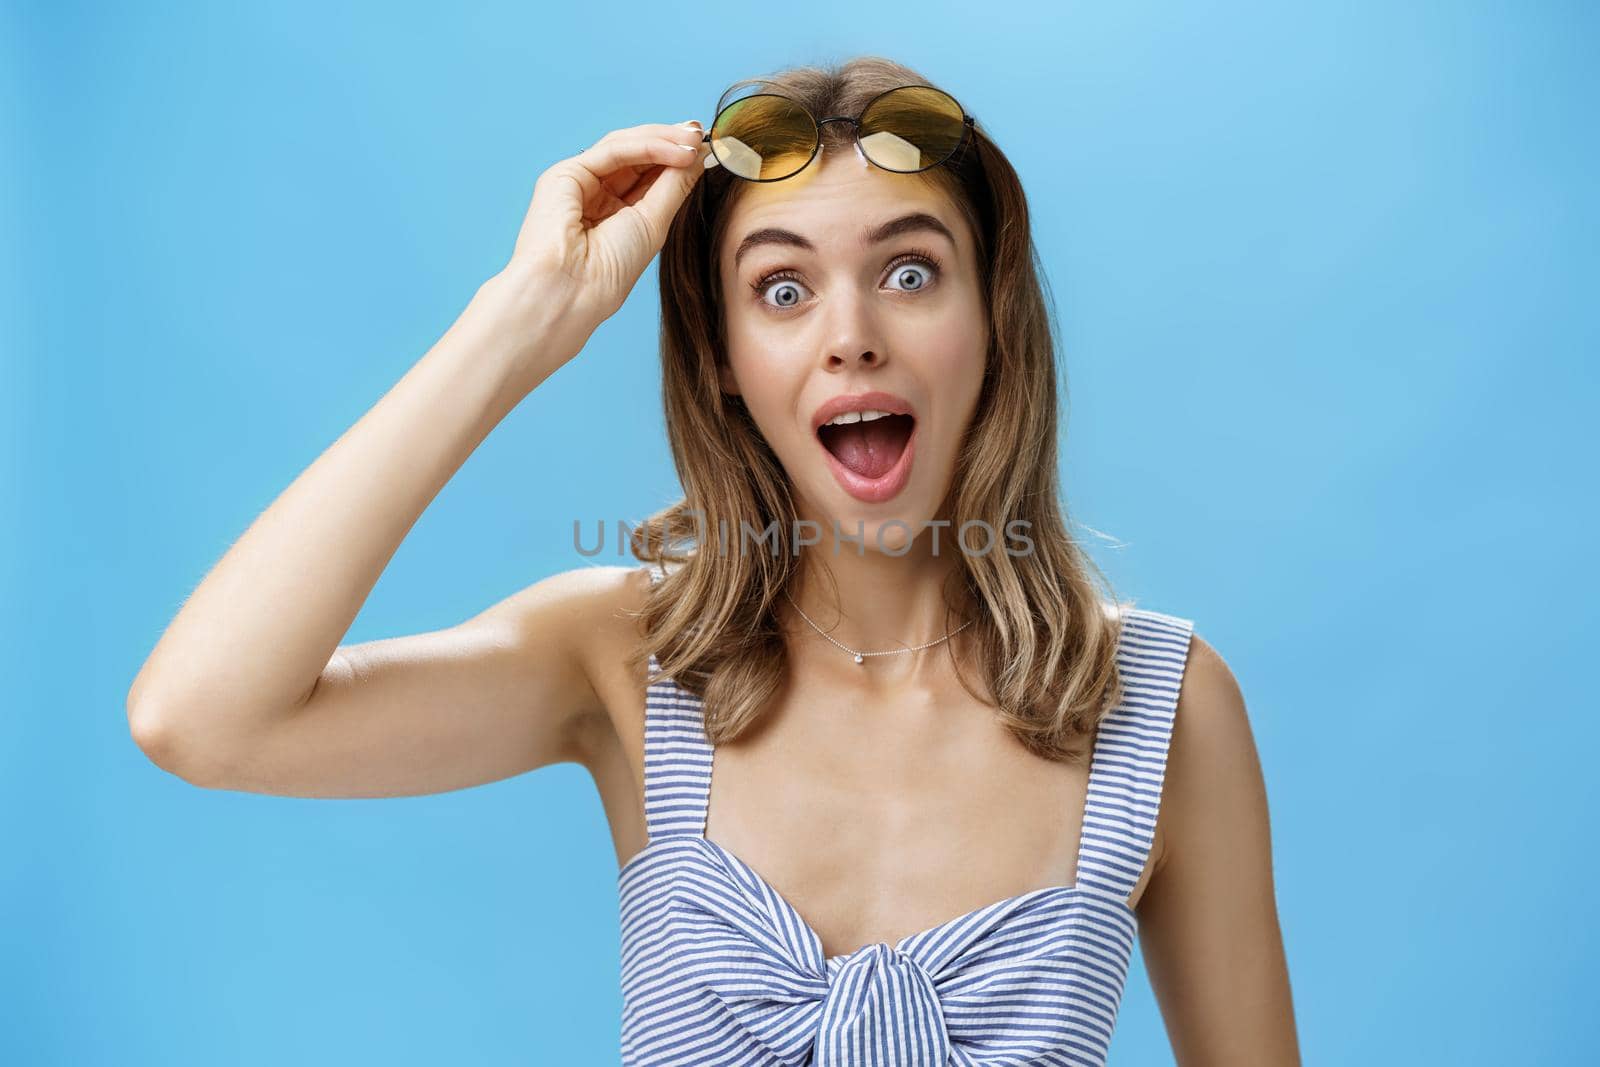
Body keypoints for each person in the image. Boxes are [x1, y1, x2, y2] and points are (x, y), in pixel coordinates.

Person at [128, 55, 1299, 1066]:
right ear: (725, 358)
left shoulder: (1163, 705)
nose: (850, 334)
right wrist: (520, 321)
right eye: (781, 289)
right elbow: (201, 717)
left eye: (908, 271)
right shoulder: (623, 660)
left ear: (990, 319)